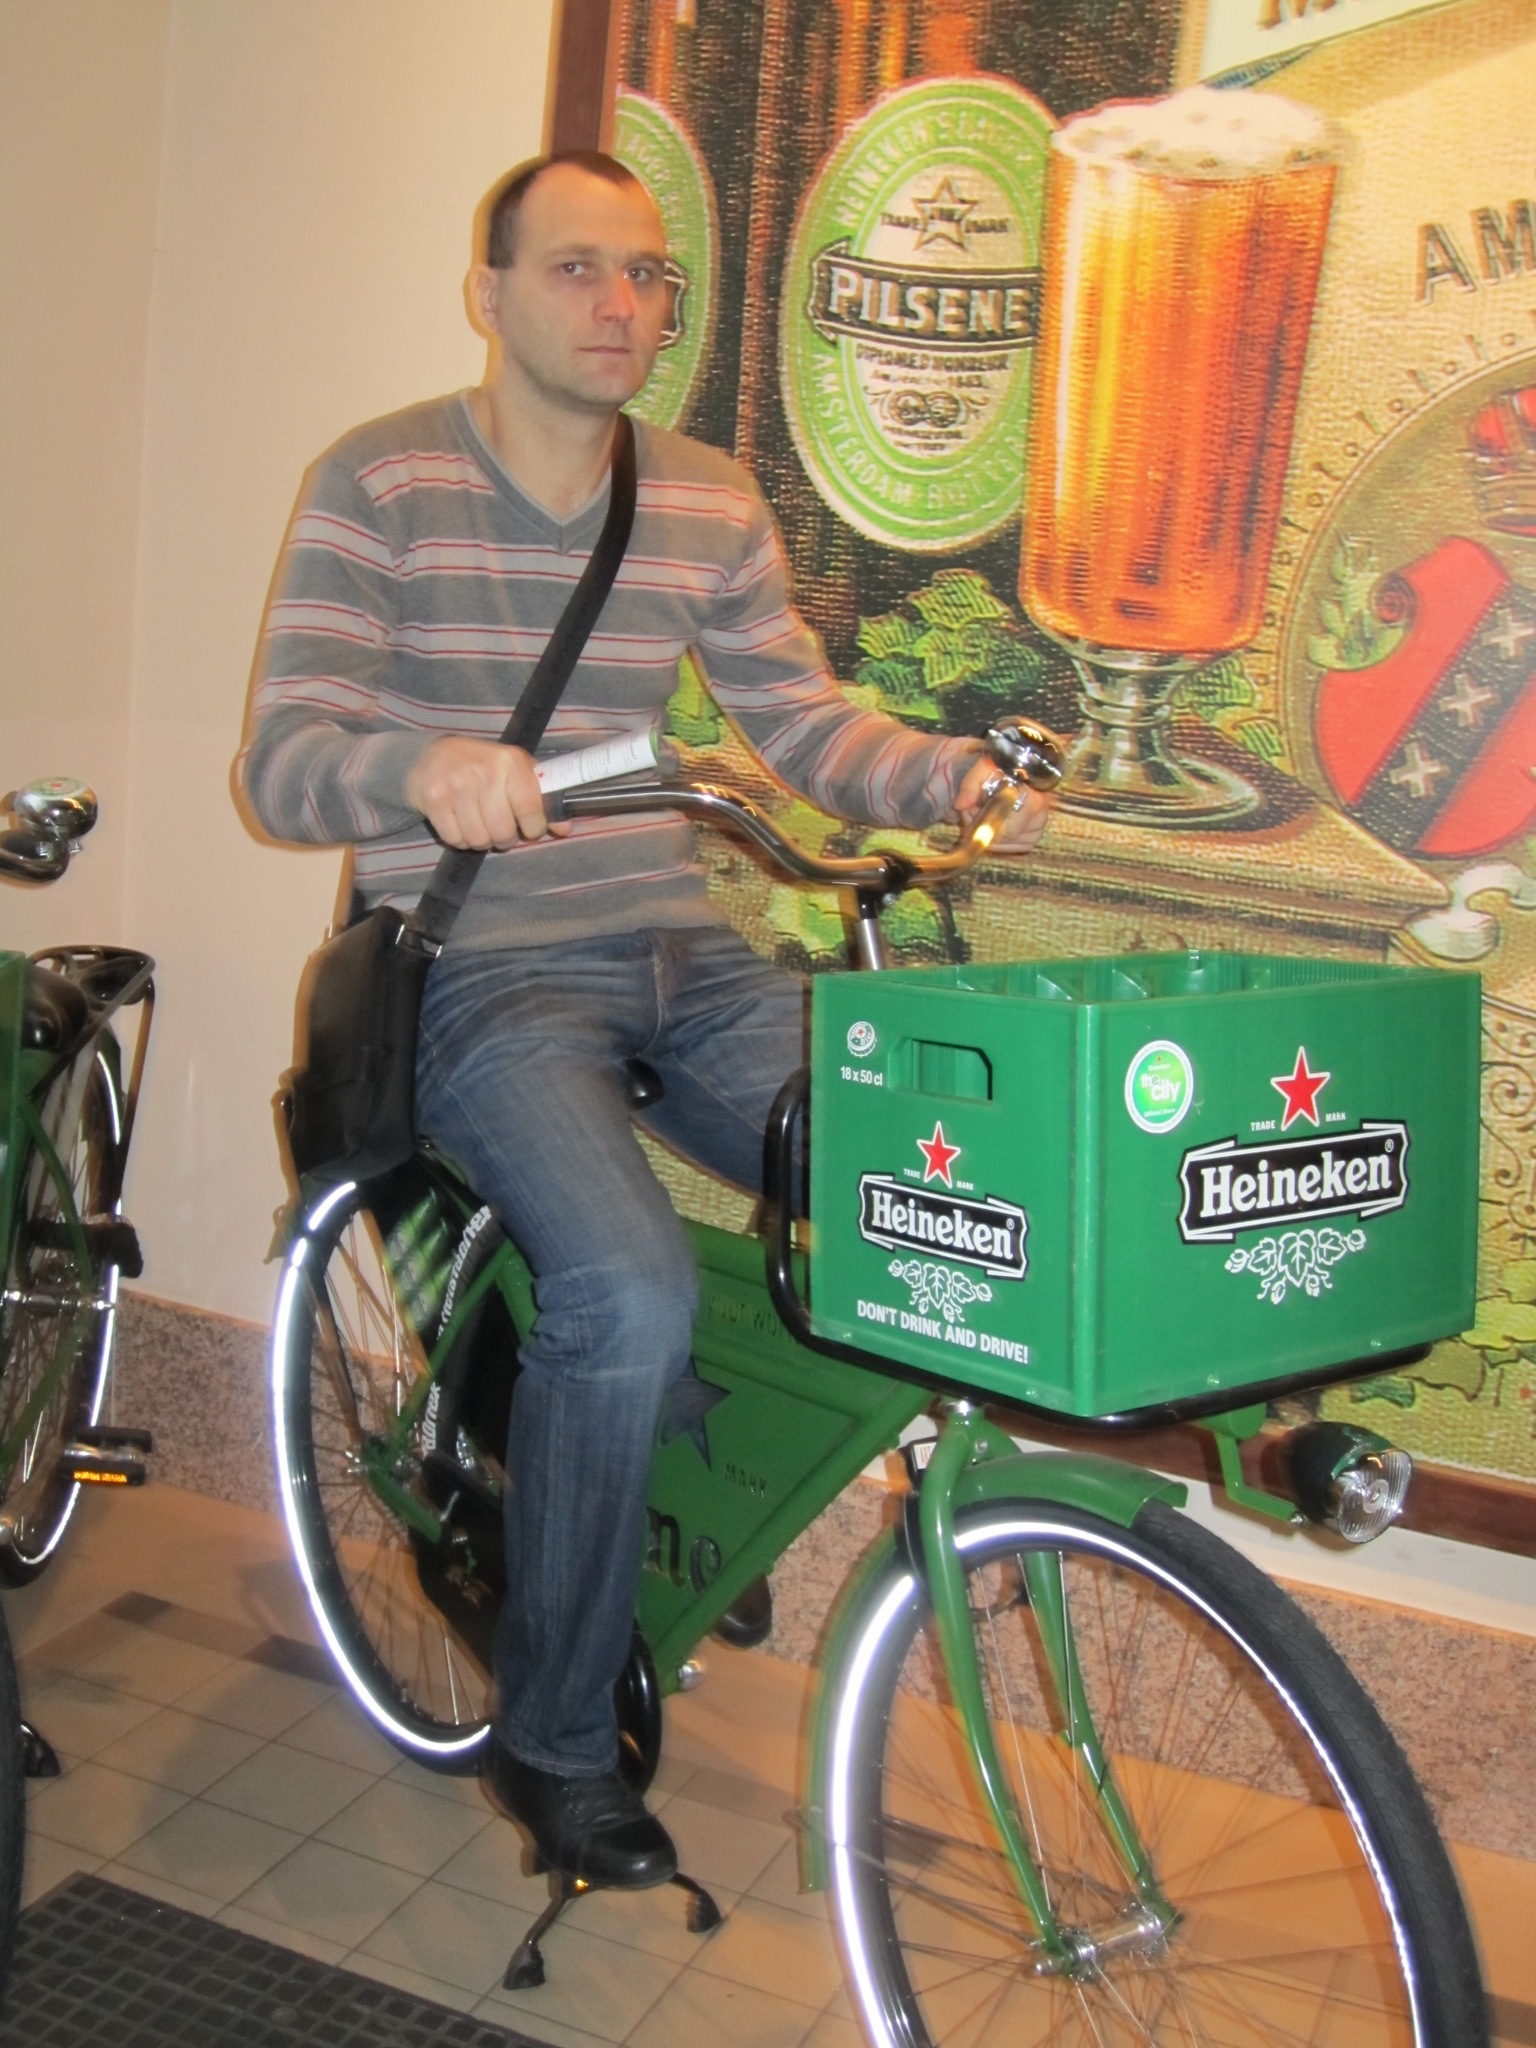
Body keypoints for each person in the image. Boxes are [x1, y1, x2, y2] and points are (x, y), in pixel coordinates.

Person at [239, 150, 1049, 1890]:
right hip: (478, 967)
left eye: (651, 275)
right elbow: (286, 761)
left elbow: (800, 723)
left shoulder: (705, 499)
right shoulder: (380, 481)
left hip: (677, 946)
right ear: (489, 293)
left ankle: (667, 1485)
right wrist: (425, 767)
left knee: (932, 1174)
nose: (623, 306)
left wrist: (949, 776)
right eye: (577, 269)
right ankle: (550, 1746)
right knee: (627, 1287)